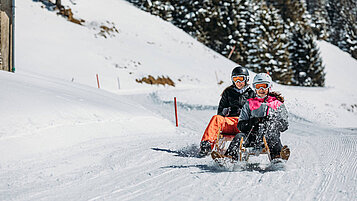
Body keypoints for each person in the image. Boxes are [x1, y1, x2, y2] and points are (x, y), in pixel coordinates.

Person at [225, 73, 290, 161]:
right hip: (251, 137)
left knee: (272, 135)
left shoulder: (276, 104)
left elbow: (284, 125)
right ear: (254, 88)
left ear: (269, 87)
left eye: (264, 86)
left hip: (268, 137)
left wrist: (272, 122)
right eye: (258, 86)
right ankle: (229, 159)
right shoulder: (249, 103)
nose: (261, 89)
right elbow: (240, 125)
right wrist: (252, 121)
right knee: (239, 136)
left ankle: (277, 157)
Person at [199, 66, 255, 156]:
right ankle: (207, 145)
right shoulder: (228, 92)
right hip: (229, 122)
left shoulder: (252, 94)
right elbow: (220, 111)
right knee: (216, 118)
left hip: (243, 124)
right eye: (235, 79)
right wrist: (225, 111)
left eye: (241, 79)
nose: (238, 82)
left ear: (246, 79)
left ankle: (233, 154)